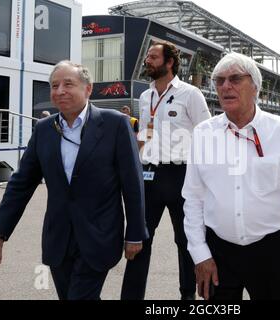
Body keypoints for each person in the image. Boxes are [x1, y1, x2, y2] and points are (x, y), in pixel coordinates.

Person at [0, 61, 148, 300]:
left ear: (88, 89)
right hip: (58, 239)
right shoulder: (43, 130)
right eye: (54, 85)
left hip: (99, 236)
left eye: (68, 84)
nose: (59, 91)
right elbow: (20, 185)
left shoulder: (115, 125)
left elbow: (133, 184)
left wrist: (135, 233)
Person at [182, 52, 280, 300]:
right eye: (219, 80)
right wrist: (200, 253)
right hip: (218, 252)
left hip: (271, 251)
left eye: (235, 78)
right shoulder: (203, 134)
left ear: (255, 87)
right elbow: (193, 198)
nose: (226, 86)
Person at [121, 41, 211, 300]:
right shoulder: (145, 96)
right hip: (149, 175)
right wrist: (134, 164)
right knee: (140, 239)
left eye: (152, 56)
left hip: (182, 175)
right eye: (147, 56)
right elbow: (146, 132)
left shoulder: (190, 94)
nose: (147, 60)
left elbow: (207, 134)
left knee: (186, 241)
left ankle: (187, 297)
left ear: (169, 62)